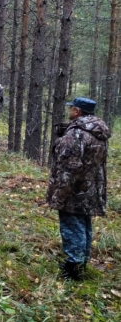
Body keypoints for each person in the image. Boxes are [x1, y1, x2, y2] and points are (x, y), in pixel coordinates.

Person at [47, 97, 110, 281]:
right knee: (84, 225)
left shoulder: (76, 135)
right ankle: (81, 262)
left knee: (71, 226)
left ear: (78, 111)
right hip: (90, 189)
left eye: (72, 109)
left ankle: (73, 268)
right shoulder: (97, 132)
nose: (70, 111)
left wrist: (60, 195)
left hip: (74, 191)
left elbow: (69, 168)